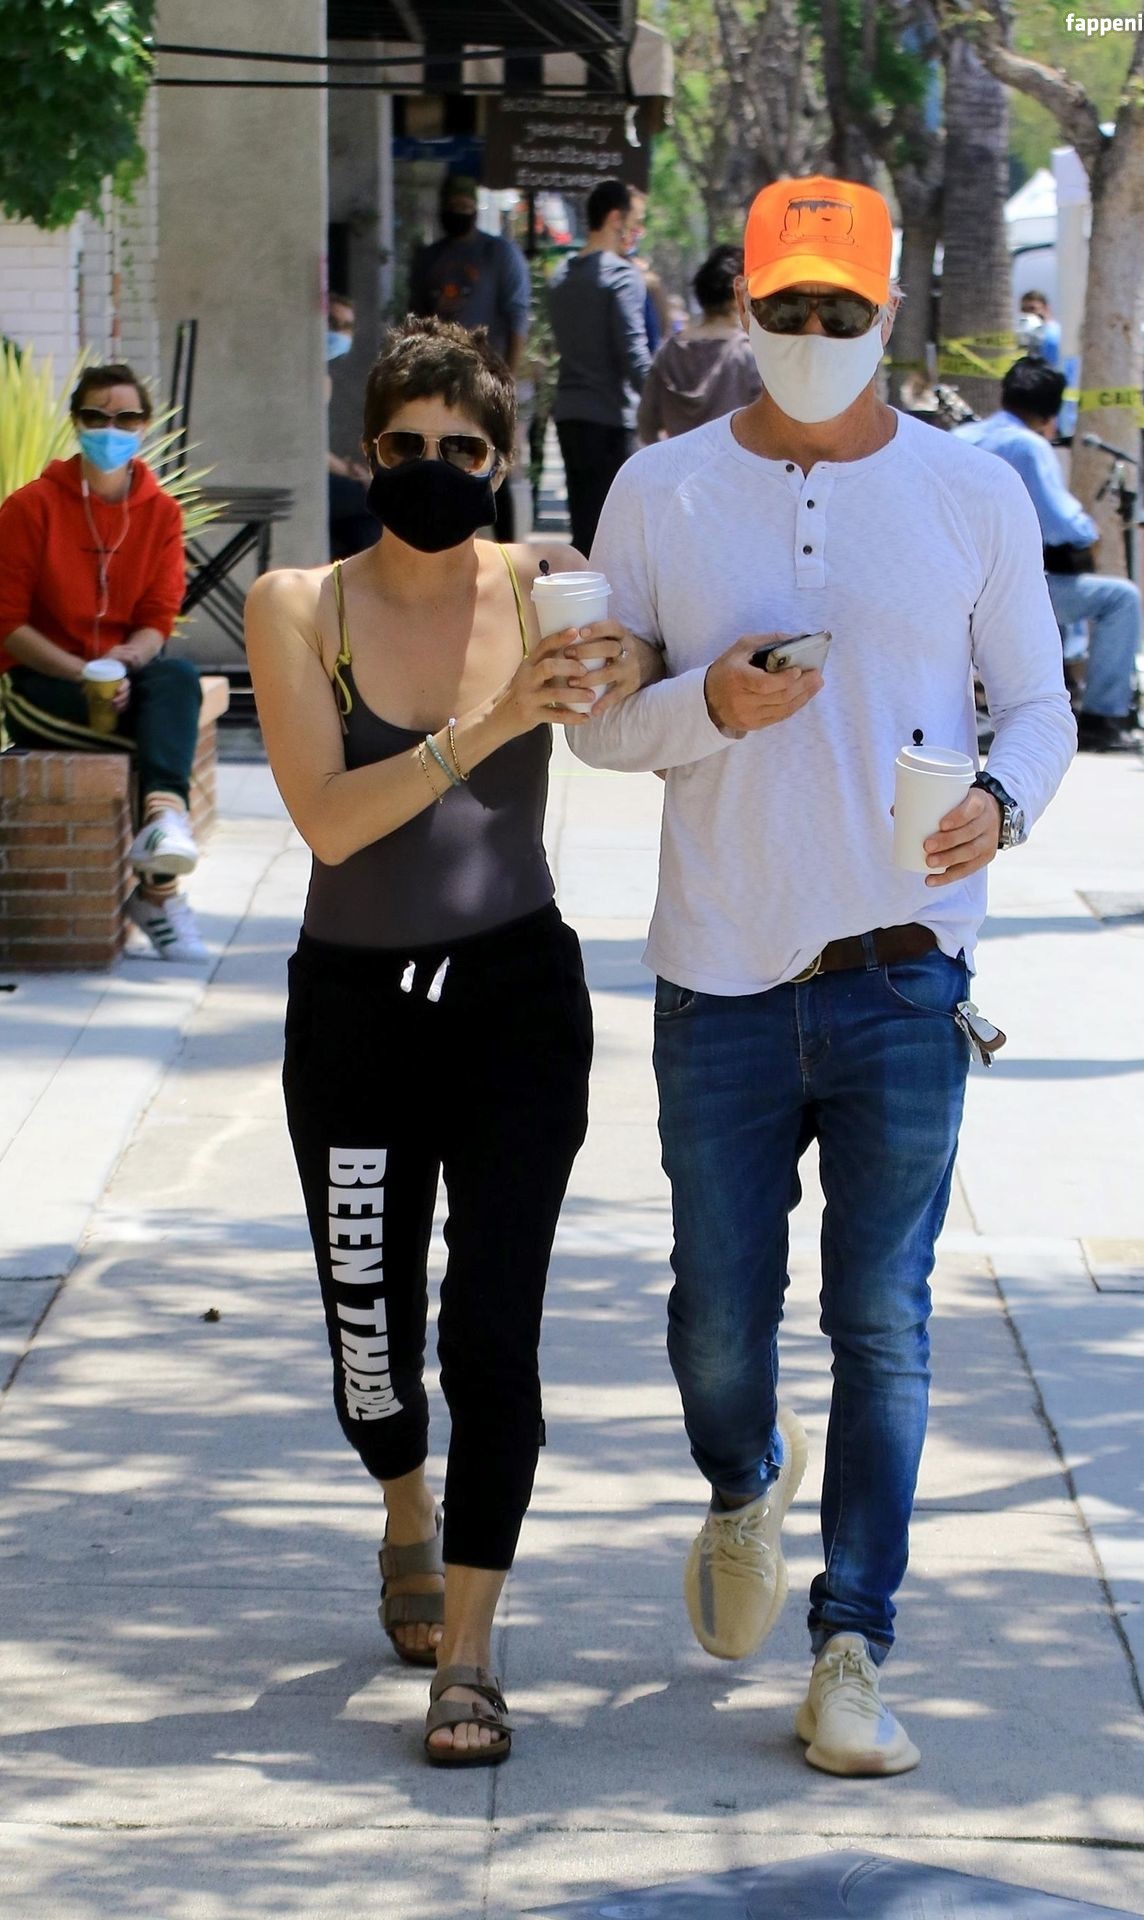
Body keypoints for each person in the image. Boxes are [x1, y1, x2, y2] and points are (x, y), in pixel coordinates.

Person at [570, 176, 1075, 1777]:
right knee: (718, 1324)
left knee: (884, 1320)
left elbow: (1039, 709)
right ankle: (743, 1482)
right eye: (781, 306)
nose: (807, 333)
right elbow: (599, 726)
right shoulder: (659, 489)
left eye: (836, 309)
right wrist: (708, 704)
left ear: (885, 312)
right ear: (743, 307)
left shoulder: (969, 492)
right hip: (719, 974)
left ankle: (854, 1641)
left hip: (905, 978)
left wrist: (1003, 803)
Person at [244, 316, 661, 1768]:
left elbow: (644, 676)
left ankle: (471, 1654)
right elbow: (328, 820)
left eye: (462, 449)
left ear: (502, 460)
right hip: (355, 1010)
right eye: (405, 445)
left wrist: (635, 664)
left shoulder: (544, 584)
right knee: (372, 1345)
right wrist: (488, 723)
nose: (433, 468)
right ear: (366, 453)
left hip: (514, 1001)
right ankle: (402, 1506)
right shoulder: (301, 605)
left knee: (494, 1332)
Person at [0, 361, 208, 961]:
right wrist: (83, 673)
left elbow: (158, 617)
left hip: (123, 677)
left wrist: (126, 660)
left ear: (144, 426)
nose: (110, 429)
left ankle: (162, 834)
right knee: (158, 741)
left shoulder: (162, 514)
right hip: (43, 682)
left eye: (126, 418)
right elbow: (7, 623)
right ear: (76, 422)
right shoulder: (30, 507)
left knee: (177, 677)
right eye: (96, 416)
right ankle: (160, 892)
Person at [956, 359, 1141, 752]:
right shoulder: (1028, 446)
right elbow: (1064, 526)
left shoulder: (959, 436)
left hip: (953, 583)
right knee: (1121, 598)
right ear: (1051, 414)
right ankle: (1102, 719)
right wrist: (1090, 528)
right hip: (1001, 591)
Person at [407, 174, 532, 543]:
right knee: (442, 463)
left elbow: (517, 319)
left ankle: (507, 548)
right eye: (452, 207)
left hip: (485, 378)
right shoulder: (429, 258)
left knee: (493, 464)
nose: (458, 212)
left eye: (465, 207)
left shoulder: (499, 255)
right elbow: (415, 320)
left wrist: (506, 378)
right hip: (438, 379)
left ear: (475, 210)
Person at [546, 178, 651, 555]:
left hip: (570, 417)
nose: (636, 232)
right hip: (611, 423)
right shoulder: (621, 277)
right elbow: (633, 354)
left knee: (583, 532)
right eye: (634, 222)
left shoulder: (560, 277)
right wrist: (660, 407)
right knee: (617, 541)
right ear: (614, 218)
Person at [637, 244, 762, 445]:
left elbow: (646, 421)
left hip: (679, 462)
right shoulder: (749, 353)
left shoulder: (668, 352)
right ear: (739, 296)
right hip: (733, 463)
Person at [326, 293, 380, 561]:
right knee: (376, 503)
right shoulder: (312, 379)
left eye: (346, 326)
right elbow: (310, 448)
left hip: (340, 476)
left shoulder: (339, 379)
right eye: (332, 323)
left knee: (365, 527)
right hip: (316, 479)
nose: (339, 333)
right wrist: (351, 472)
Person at [1019, 290, 1061, 369]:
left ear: (1046, 308)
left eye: (1032, 309)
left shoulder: (1056, 334)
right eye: (1024, 310)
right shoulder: (1026, 339)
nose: (1027, 315)